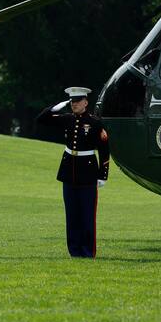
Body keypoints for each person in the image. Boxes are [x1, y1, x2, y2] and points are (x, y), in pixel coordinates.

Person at [36, 87, 110, 258]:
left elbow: (104, 150)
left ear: (85, 102)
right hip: (69, 172)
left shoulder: (95, 122)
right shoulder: (67, 119)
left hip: (88, 173)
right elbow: (41, 120)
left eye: (77, 102)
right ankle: (74, 251)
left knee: (87, 215)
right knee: (72, 215)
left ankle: (87, 251)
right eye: (72, 102)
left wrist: (103, 175)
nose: (74, 105)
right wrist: (55, 107)